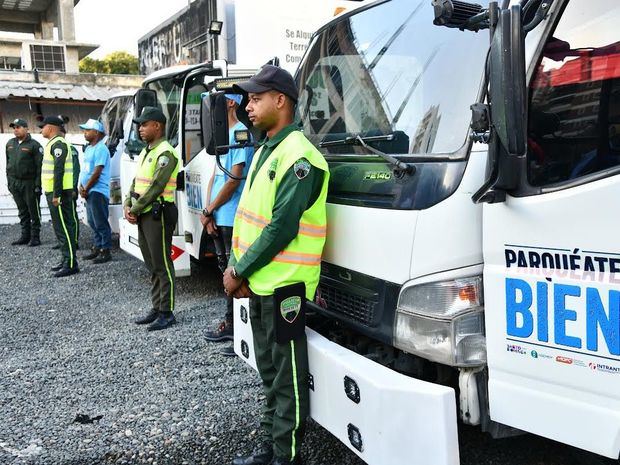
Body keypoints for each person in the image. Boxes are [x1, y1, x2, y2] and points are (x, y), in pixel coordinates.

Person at [226, 66, 330, 465]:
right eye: (247, 101)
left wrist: (237, 271)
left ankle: (286, 455)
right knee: (269, 371)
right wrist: (240, 267)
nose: (247, 107)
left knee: (287, 380)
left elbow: (282, 227)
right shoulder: (266, 149)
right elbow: (249, 222)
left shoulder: (301, 157)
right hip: (261, 283)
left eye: (255, 99)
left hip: (285, 287)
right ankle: (271, 445)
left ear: (280, 100)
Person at [201, 93, 254, 356]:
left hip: (232, 214)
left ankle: (242, 334)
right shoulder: (222, 135)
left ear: (231, 103)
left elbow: (234, 179)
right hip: (219, 214)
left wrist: (211, 208)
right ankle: (232, 327)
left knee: (236, 275)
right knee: (225, 273)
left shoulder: (241, 133)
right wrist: (207, 212)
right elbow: (215, 176)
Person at [124, 107, 179, 332]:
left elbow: (156, 186)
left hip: (158, 212)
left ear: (157, 125)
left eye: (144, 124)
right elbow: (138, 181)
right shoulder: (148, 151)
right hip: (145, 211)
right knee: (152, 263)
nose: (140, 129)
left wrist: (135, 208)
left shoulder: (166, 152)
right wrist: (128, 202)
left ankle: (167, 312)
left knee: (162, 263)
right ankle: (157, 306)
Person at [39, 115, 79, 277]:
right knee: (60, 228)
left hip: (60, 194)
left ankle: (70, 263)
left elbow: (59, 170)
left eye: (43, 126)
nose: (41, 129)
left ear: (51, 127)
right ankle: (66, 259)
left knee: (63, 228)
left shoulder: (59, 145)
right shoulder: (53, 144)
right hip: (55, 193)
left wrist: (56, 194)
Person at [78, 118, 112, 264]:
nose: (84, 133)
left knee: (100, 222)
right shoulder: (90, 148)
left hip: (97, 191)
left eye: (87, 130)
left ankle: (105, 250)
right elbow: (85, 170)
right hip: (89, 190)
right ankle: (97, 247)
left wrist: (86, 188)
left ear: (96, 132)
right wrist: (81, 186)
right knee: (92, 221)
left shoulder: (101, 149)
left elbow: (97, 172)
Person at [5, 118, 43, 246]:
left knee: (33, 210)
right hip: (15, 182)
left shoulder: (34, 145)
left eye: (18, 127)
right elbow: (7, 163)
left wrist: (38, 185)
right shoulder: (10, 143)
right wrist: (9, 182)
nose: (16, 130)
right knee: (22, 210)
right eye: (14, 127)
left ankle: (35, 237)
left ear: (26, 128)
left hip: (29, 183)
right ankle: (25, 236)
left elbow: (39, 167)